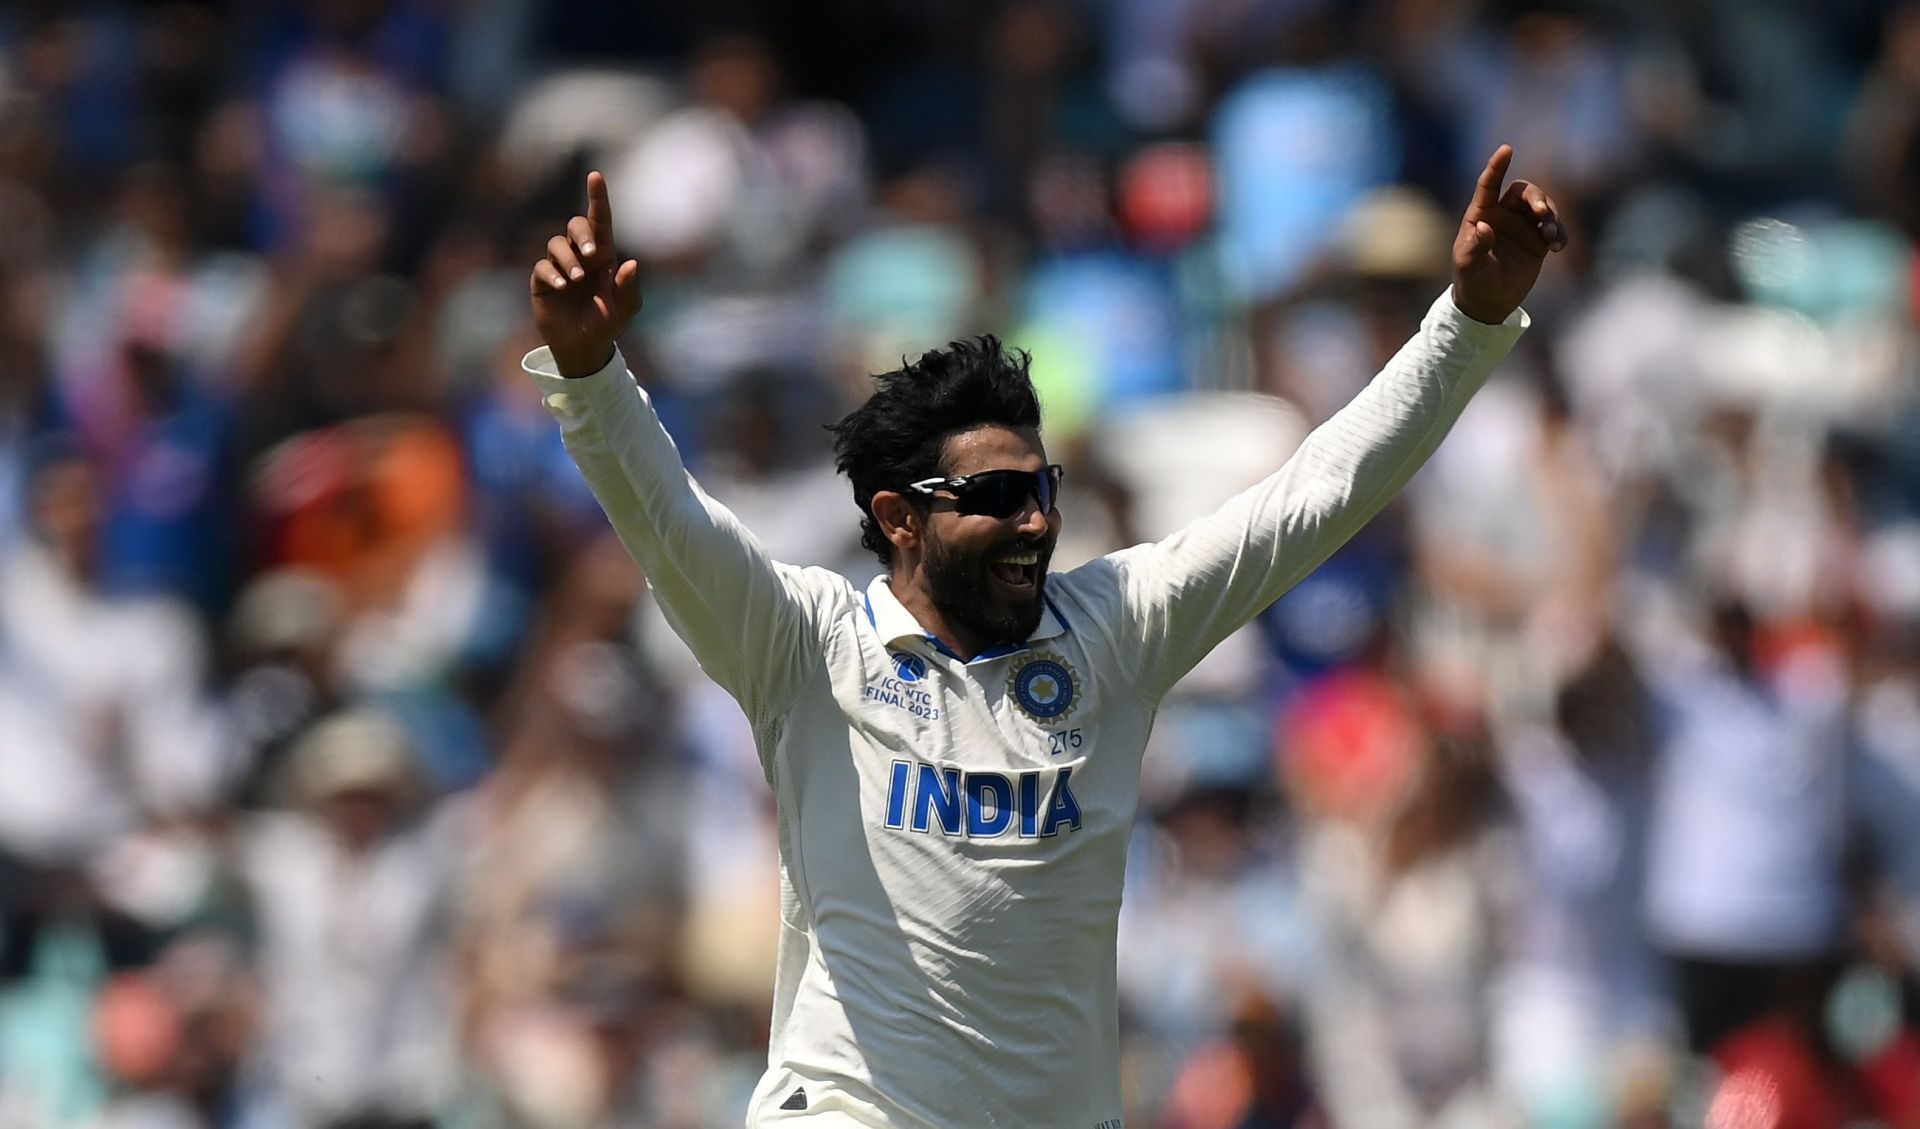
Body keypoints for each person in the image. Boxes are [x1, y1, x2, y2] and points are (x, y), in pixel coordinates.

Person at [523, 147, 1564, 1127]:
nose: (1035, 520)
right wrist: (590, 372)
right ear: (900, 518)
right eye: (997, 495)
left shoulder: (1116, 627)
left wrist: (1469, 321)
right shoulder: (808, 644)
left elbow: (1316, 494)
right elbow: (667, 520)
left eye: (1042, 488)